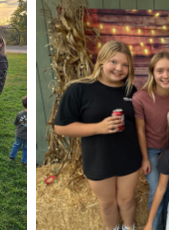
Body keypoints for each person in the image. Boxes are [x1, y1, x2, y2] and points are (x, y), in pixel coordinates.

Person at [54, 41, 143, 230]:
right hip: (98, 158)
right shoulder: (79, 89)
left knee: (127, 200)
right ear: (101, 61)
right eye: (114, 62)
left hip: (129, 156)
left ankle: (130, 228)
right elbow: (61, 128)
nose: (119, 68)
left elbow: (139, 125)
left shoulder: (130, 91)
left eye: (125, 65)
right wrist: (98, 128)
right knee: (108, 204)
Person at [135, 51, 169, 230]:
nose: (165, 75)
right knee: (156, 191)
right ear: (152, 72)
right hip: (152, 151)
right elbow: (140, 131)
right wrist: (145, 158)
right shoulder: (141, 98)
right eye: (160, 71)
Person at [10, 96, 28, 165]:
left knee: (16, 145)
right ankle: (24, 161)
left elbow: (15, 123)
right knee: (26, 148)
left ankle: (11, 157)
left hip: (18, 134)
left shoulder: (20, 114)